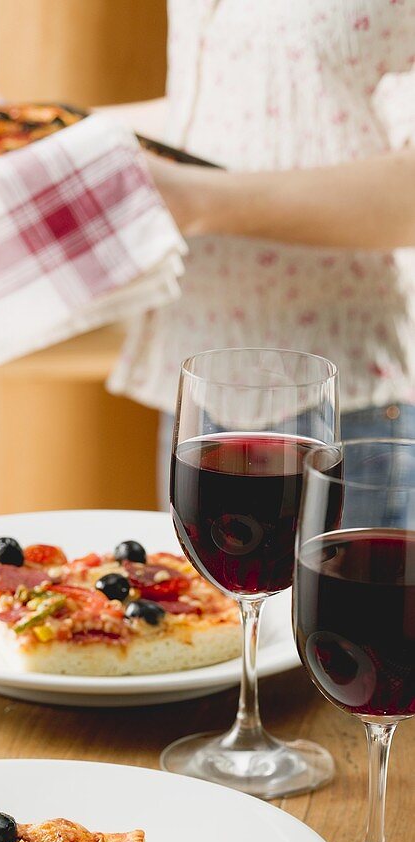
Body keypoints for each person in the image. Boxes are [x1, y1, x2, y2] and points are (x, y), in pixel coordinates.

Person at [103, 2, 415, 505]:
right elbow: (236, 104)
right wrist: (27, 130)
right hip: (200, 393)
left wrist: (198, 201)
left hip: (349, 413)